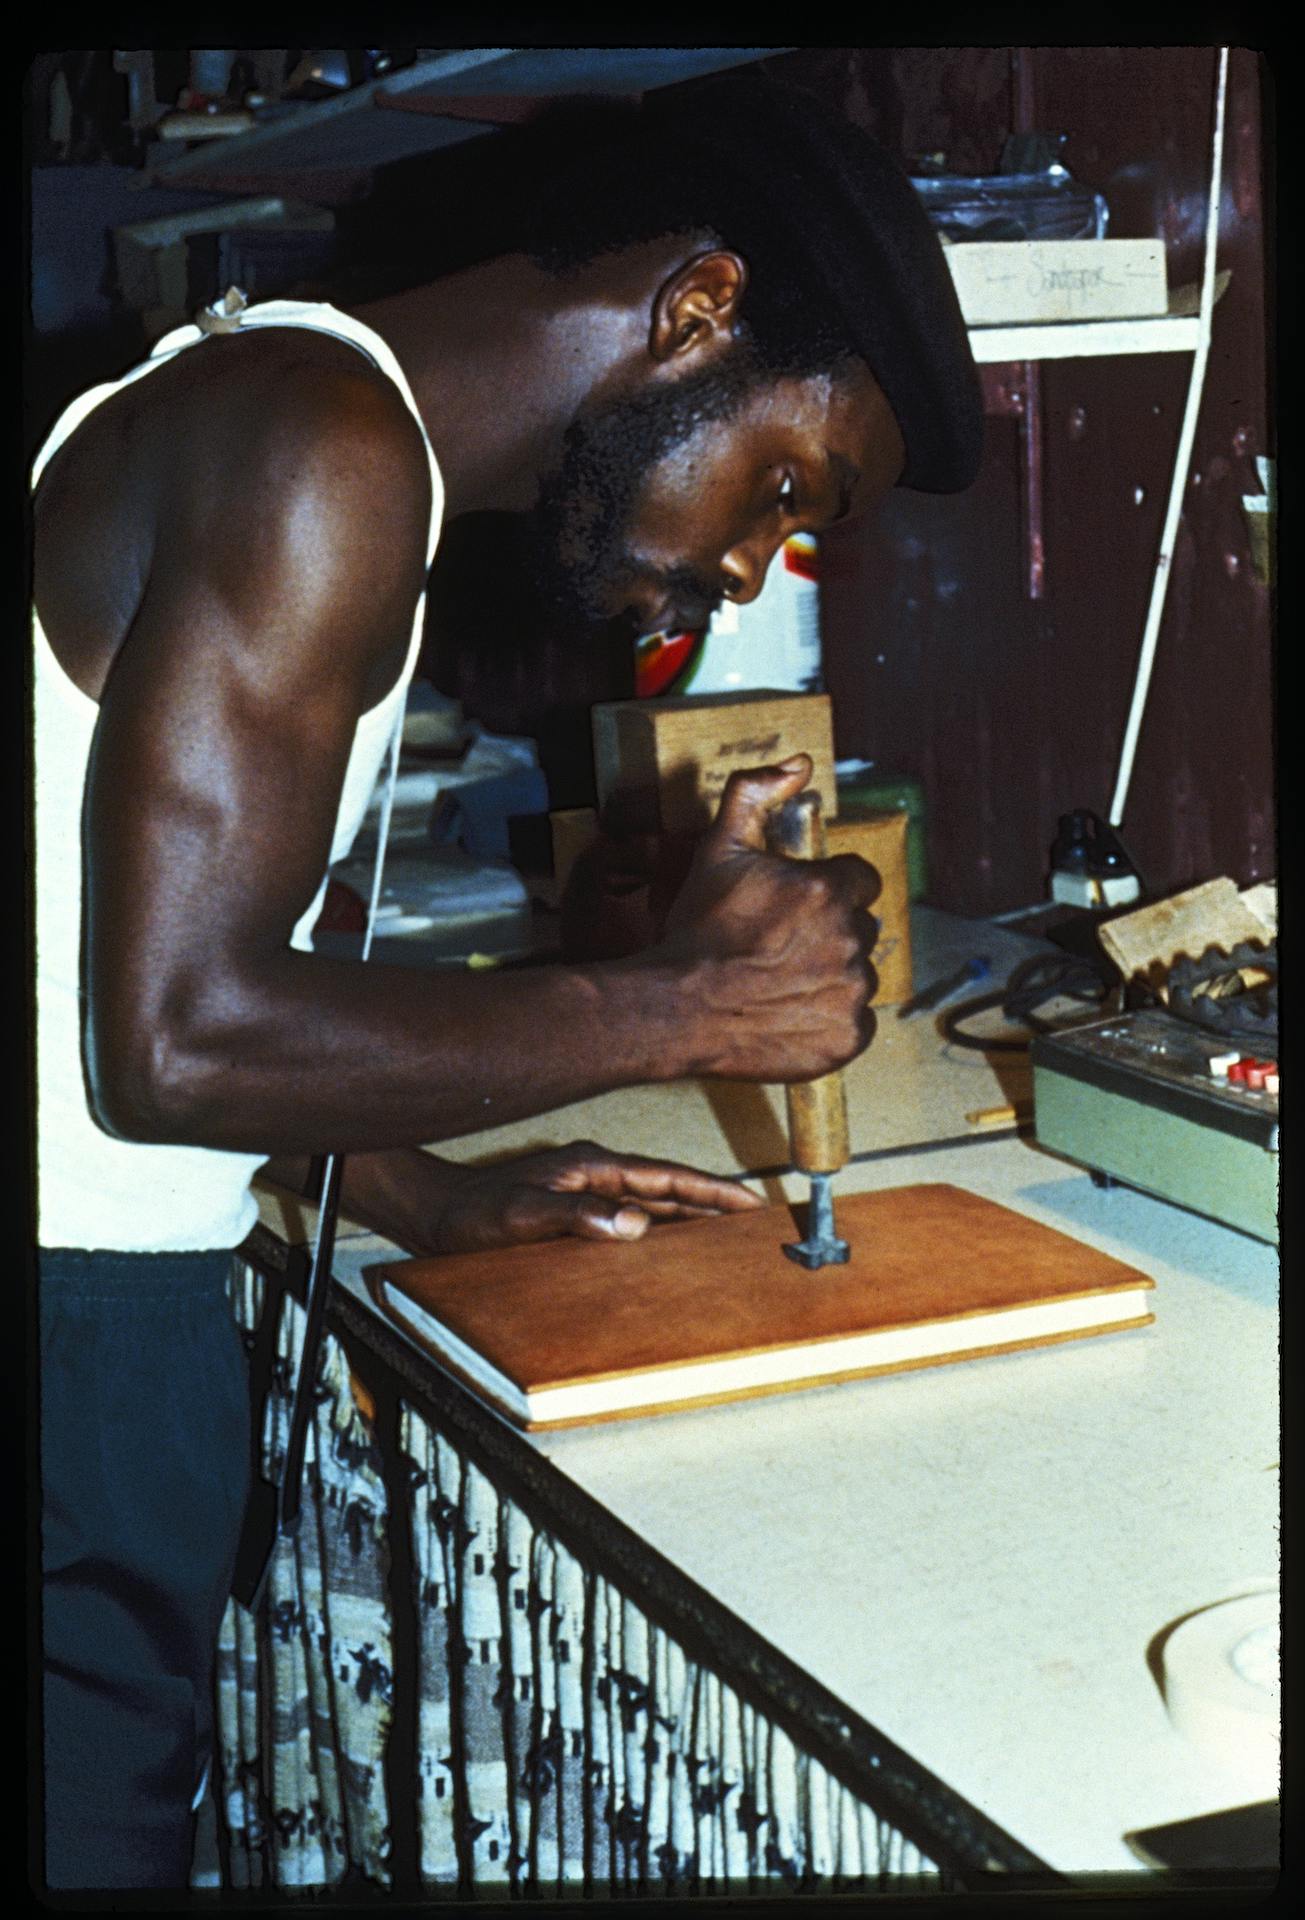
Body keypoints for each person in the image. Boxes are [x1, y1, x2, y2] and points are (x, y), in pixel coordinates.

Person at [32, 80, 981, 1888]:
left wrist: (413, 1186)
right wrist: (691, 1008)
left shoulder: (282, 400)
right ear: (698, 310)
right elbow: (171, 1043)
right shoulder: (323, 451)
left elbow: (92, 945)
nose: (748, 560)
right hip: (80, 1348)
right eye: (785, 488)